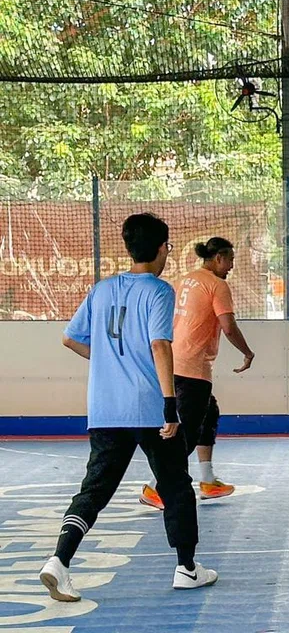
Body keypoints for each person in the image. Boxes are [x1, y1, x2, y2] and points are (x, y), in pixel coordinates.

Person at [40, 213, 217, 603]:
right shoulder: (158, 291)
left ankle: (59, 560)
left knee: (94, 490)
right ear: (162, 249)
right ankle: (187, 568)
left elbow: (70, 339)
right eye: (168, 247)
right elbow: (160, 345)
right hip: (149, 408)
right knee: (176, 485)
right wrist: (170, 406)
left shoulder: (101, 290)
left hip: (106, 408)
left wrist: (107, 361)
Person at [140, 237, 255, 510]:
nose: (231, 266)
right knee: (186, 435)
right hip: (192, 368)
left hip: (172, 362)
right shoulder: (217, 285)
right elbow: (228, 327)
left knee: (209, 413)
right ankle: (155, 487)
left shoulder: (185, 280)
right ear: (218, 258)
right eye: (230, 260)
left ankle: (208, 479)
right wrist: (247, 353)